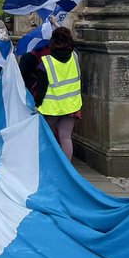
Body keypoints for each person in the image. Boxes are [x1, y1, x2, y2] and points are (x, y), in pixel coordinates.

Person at [32, 26, 81, 162]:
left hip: (51, 107)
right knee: (66, 137)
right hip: (71, 104)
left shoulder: (45, 63)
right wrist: (56, 25)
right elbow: (73, 44)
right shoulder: (75, 56)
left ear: (52, 42)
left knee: (48, 137)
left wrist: (37, 104)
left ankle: (51, 165)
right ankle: (68, 169)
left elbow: (41, 89)